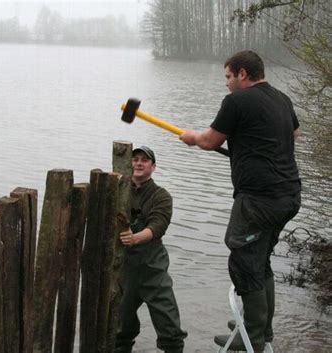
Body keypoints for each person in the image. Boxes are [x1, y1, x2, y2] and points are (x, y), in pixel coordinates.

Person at [179, 50, 301, 351]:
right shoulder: (281, 99)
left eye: (228, 76)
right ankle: (261, 328)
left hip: (259, 200)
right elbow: (294, 133)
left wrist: (192, 137)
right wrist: (251, 145)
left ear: (242, 73)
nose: (226, 83)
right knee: (260, 260)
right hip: (289, 195)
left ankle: (253, 338)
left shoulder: (237, 101)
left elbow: (209, 141)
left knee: (243, 259)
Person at [115, 146, 187, 353]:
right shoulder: (119, 191)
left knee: (170, 327)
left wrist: (134, 238)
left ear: (153, 167)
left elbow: (158, 226)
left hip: (152, 267)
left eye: (144, 160)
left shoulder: (161, 196)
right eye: (135, 159)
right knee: (121, 328)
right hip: (124, 269)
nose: (138, 163)